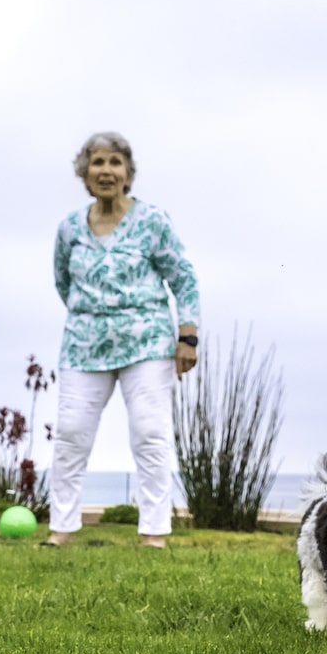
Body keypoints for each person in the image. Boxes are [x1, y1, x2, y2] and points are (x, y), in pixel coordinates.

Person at [45, 132, 200, 548]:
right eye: (97, 162)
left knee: (150, 433)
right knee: (71, 434)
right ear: (85, 173)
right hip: (83, 346)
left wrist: (188, 336)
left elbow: (183, 279)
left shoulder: (152, 221)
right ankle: (61, 529)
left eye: (115, 162)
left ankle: (154, 533)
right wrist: (93, 315)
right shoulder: (69, 228)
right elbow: (64, 283)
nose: (106, 171)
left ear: (128, 173)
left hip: (147, 343)